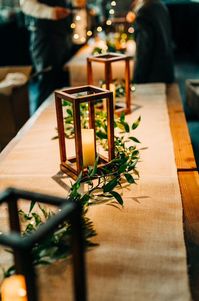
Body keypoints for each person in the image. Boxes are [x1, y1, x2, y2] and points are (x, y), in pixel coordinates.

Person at [20, 0, 72, 109]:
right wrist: (51, 12)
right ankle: (40, 123)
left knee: (59, 83)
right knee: (47, 83)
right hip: (44, 36)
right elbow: (26, 4)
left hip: (61, 34)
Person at [126, 0, 175, 84]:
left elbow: (144, 49)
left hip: (152, 77)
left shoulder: (144, 11)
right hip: (166, 71)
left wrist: (137, 79)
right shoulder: (160, 5)